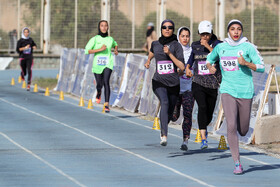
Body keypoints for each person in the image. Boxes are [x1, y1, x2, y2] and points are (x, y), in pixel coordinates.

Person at [206, 19, 264, 175]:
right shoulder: (221, 47)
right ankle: (237, 163)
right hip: (227, 90)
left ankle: (240, 129)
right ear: (228, 31)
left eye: (239, 29)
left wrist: (246, 63)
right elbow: (209, 59)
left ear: (242, 31)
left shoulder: (248, 47)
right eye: (233, 29)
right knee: (231, 126)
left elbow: (261, 67)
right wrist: (210, 66)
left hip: (245, 92)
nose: (236, 32)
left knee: (243, 130)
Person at [144, 19, 185, 146]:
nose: (167, 29)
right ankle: (164, 136)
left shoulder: (176, 45)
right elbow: (152, 52)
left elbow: (182, 67)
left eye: (170, 27)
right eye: (164, 27)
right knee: (164, 102)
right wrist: (148, 60)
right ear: (161, 29)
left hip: (173, 83)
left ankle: (163, 124)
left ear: (173, 30)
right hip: (158, 81)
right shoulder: (156, 44)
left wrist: (170, 54)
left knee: (170, 110)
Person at [186, 20, 222, 149]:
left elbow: (220, 56)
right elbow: (191, 57)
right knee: (202, 106)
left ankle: (203, 127)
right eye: (202, 34)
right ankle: (204, 139)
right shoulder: (195, 45)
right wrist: (187, 67)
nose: (204, 37)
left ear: (211, 32)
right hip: (198, 81)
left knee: (209, 113)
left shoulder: (218, 44)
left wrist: (207, 46)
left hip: (213, 83)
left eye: (207, 34)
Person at [85, 20, 118, 113]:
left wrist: (116, 50)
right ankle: (98, 91)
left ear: (108, 27)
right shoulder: (95, 39)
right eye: (102, 26)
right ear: (99, 27)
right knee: (99, 83)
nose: (104, 27)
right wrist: (100, 49)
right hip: (97, 64)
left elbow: (115, 44)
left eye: (105, 26)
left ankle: (106, 104)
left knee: (106, 82)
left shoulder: (110, 39)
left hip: (108, 63)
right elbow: (87, 50)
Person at [171, 26, 194, 151]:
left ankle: (185, 140)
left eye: (187, 36)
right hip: (175, 87)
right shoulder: (174, 51)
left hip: (189, 88)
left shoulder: (193, 51)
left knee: (188, 114)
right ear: (178, 37)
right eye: (182, 36)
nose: (185, 38)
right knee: (174, 116)